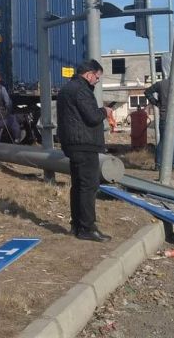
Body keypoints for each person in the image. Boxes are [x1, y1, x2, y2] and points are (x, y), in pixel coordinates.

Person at [57, 59, 113, 242]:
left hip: (72, 143)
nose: (97, 82)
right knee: (89, 186)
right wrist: (104, 111)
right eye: (97, 78)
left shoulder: (66, 89)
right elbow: (92, 117)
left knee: (79, 185)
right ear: (89, 74)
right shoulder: (81, 90)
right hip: (84, 144)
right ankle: (87, 227)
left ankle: (77, 225)